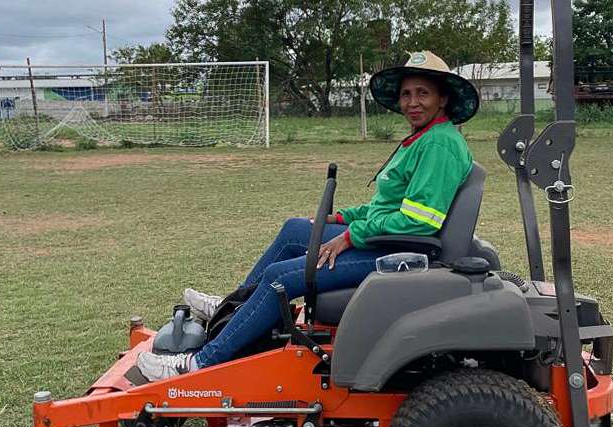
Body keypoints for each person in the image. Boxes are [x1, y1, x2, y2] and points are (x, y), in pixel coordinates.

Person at [138, 51, 480, 381]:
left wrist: (349, 236)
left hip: (399, 252)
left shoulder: (439, 144)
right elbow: (387, 208)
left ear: (443, 99)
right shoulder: (425, 138)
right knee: (295, 230)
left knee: (280, 278)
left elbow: (420, 221)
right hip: (386, 240)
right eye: (406, 94)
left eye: (423, 93)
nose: (412, 102)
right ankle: (236, 306)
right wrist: (340, 219)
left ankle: (199, 363)